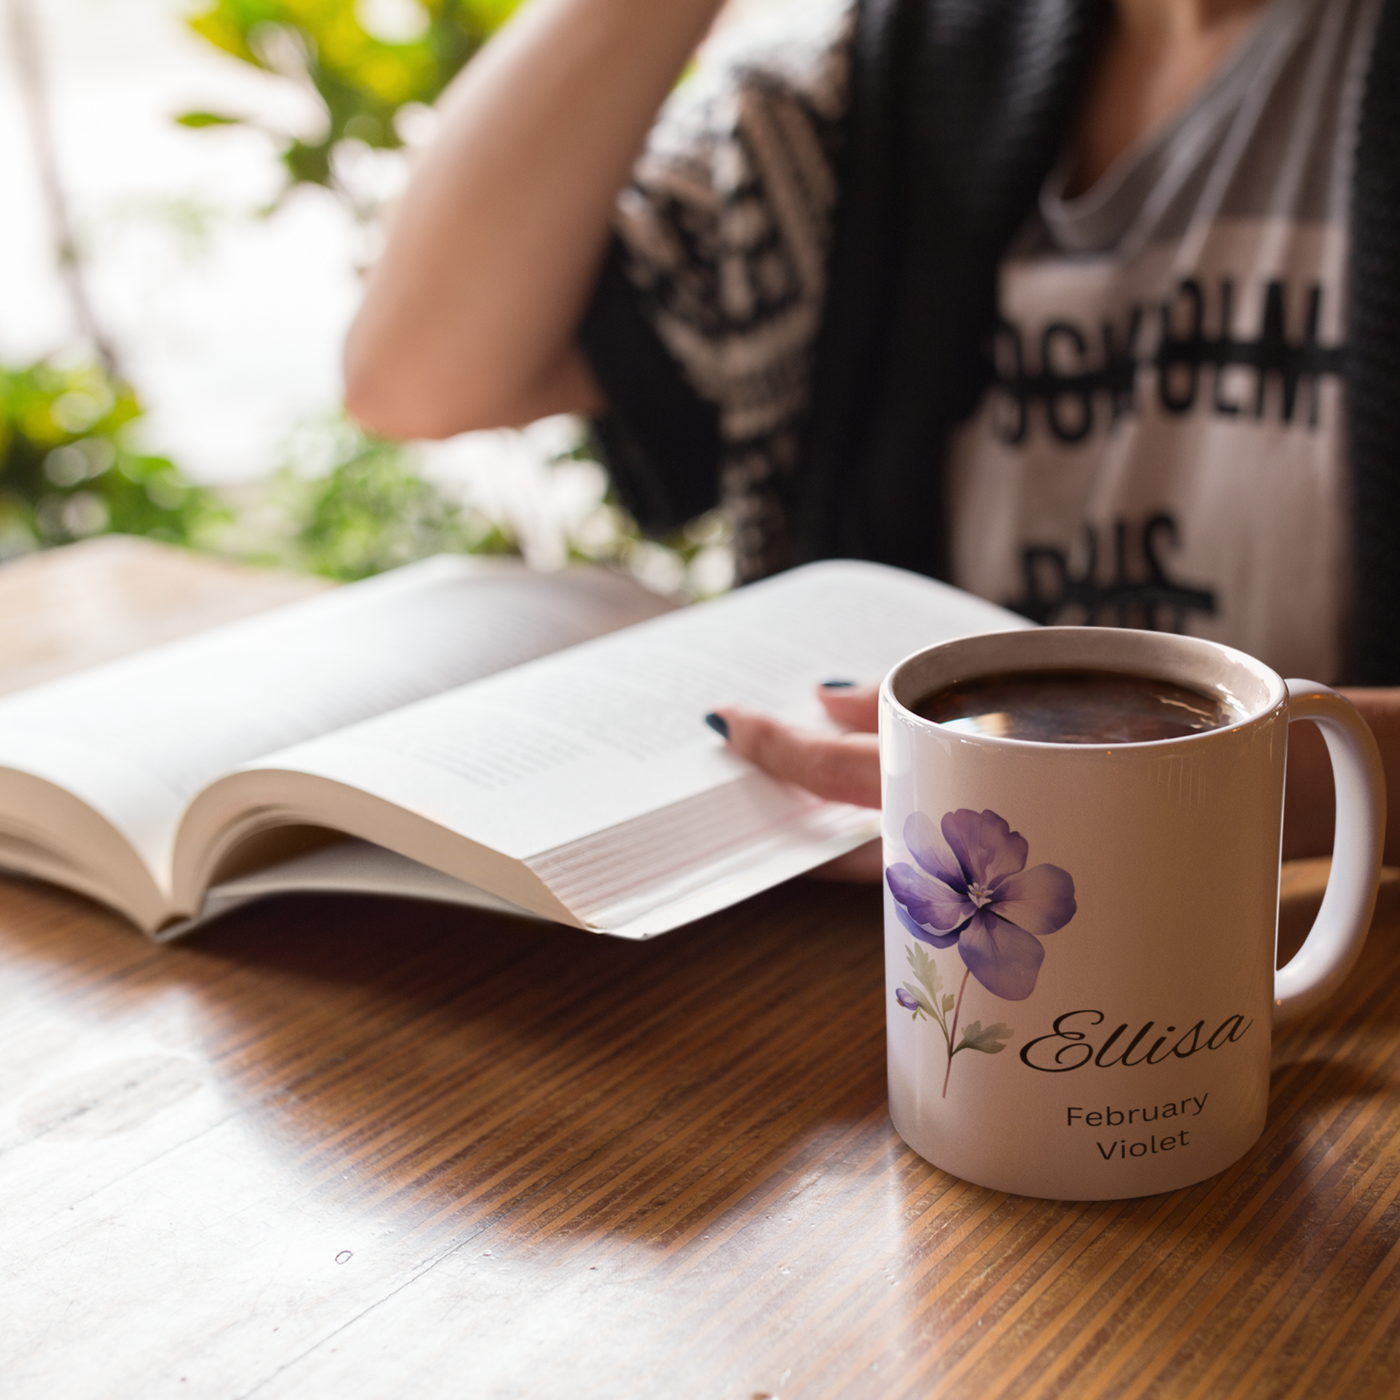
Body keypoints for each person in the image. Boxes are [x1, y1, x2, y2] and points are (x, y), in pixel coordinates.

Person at [344, 0, 1400, 875]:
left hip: (1322, 959)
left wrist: (1190, 788)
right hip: (880, 968)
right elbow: (421, 372)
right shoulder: (867, 84)